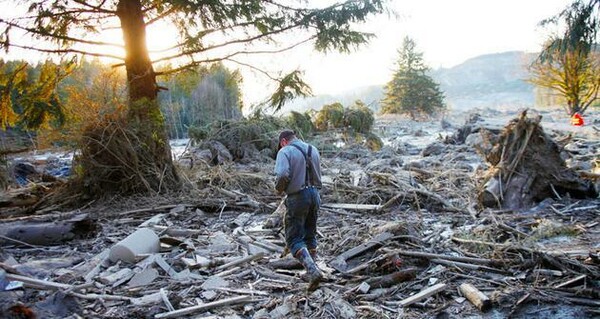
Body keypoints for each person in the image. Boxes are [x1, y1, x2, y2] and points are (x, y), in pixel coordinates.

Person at [274, 130, 323, 291]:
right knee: (310, 234)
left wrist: (279, 189)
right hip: (315, 194)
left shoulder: (285, 151)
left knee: (294, 239)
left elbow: (282, 174)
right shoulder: (312, 149)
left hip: (297, 196)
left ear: (283, 141)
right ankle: (313, 268)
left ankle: (313, 271)